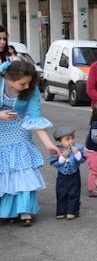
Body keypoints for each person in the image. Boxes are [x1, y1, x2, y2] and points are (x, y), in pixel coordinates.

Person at [0, 61, 58, 226]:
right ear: (8, 77)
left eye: (29, 82)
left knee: (23, 169)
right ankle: (6, 211)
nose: (27, 86)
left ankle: (24, 210)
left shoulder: (31, 91)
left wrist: (49, 145)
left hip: (20, 130)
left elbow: (35, 118)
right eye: (22, 83)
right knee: (4, 170)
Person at [49, 126, 84, 220]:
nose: (71, 141)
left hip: (74, 173)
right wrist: (62, 158)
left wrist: (77, 154)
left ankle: (72, 211)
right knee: (61, 192)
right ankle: (61, 211)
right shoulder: (57, 150)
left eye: (72, 138)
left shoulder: (78, 148)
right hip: (62, 174)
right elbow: (54, 162)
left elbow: (81, 160)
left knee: (74, 192)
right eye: (67, 139)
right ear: (59, 142)